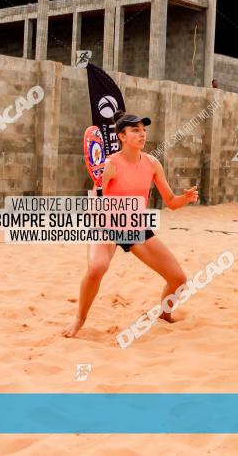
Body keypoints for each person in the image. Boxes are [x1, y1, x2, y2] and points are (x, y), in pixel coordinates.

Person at [62, 111, 199, 338]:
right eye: (135, 130)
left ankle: (164, 315)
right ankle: (79, 319)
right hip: (107, 224)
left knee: (178, 279)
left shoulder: (153, 163)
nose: (142, 134)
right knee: (97, 268)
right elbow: (93, 203)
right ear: (122, 136)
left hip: (135, 226)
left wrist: (185, 198)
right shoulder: (109, 165)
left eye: (144, 130)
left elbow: (172, 202)